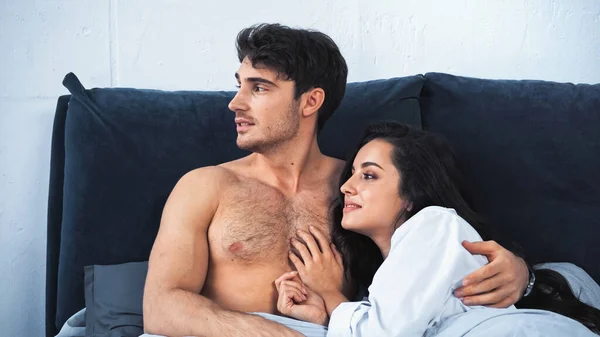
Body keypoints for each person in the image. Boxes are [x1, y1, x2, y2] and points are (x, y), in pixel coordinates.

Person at [141, 24, 531, 337]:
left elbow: (438, 254)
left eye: (258, 87)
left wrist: (519, 274)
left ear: (310, 101)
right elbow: (160, 307)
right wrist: (263, 331)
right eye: (239, 85)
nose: (235, 103)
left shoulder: (361, 190)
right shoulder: (205, 185)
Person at [275, 121, 600, 336]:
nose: (346, 186)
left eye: (369, 175)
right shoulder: (392, 282)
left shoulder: (435, 223)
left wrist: (330, 295)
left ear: (411, 197)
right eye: (351, 174)